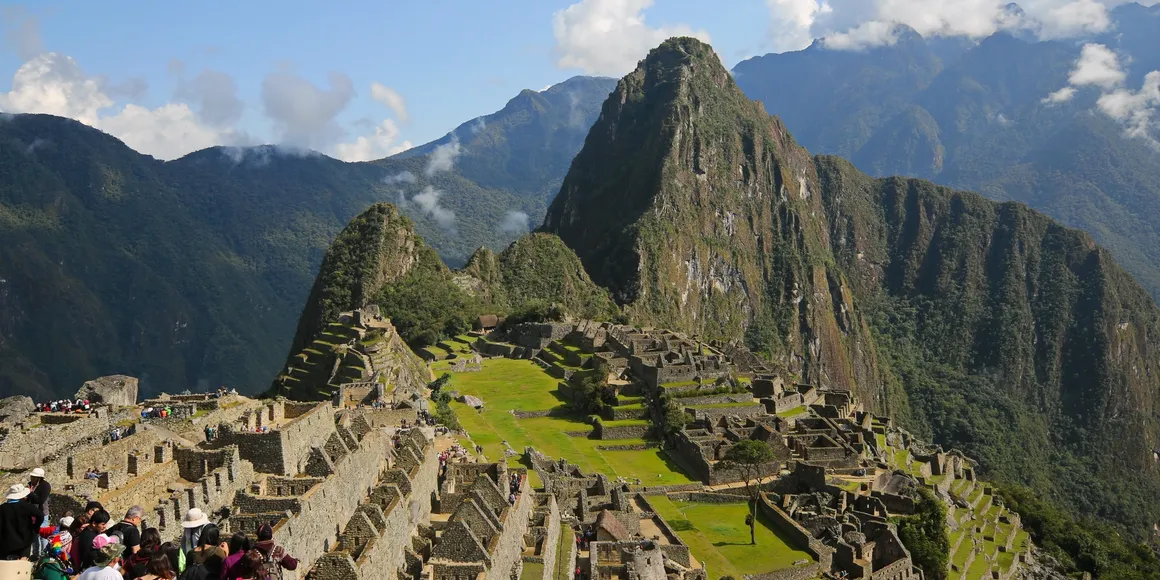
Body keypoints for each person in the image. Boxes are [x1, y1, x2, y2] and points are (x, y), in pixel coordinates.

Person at [0, 483, 45, 560]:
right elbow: (40, 515)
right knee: (21, 566)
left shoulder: (2, 508)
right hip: (24, 540)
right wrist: (34, 528)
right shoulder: (26, 506)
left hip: (5, 541)